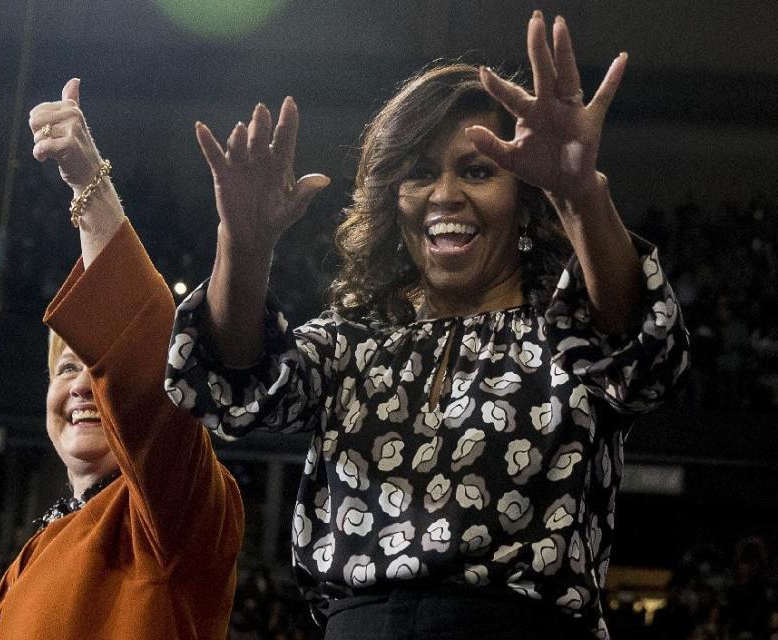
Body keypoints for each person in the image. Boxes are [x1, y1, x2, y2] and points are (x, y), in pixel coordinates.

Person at [165, 12, 689, 640]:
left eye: (476, 170)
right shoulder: (353, 341)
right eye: (419, 172)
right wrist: (243, 245)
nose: (444, 194)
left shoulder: (566, 337)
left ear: (524, 198)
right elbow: (236, 391)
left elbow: (642, 349)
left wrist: (578, 191)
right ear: (393, 199)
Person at [0, 78, 244, 640]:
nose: (83, 387)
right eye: (67, 368)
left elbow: (145, 372)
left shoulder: (176, 517)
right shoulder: (45, 543)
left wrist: (88, 188)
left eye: (100, 369)